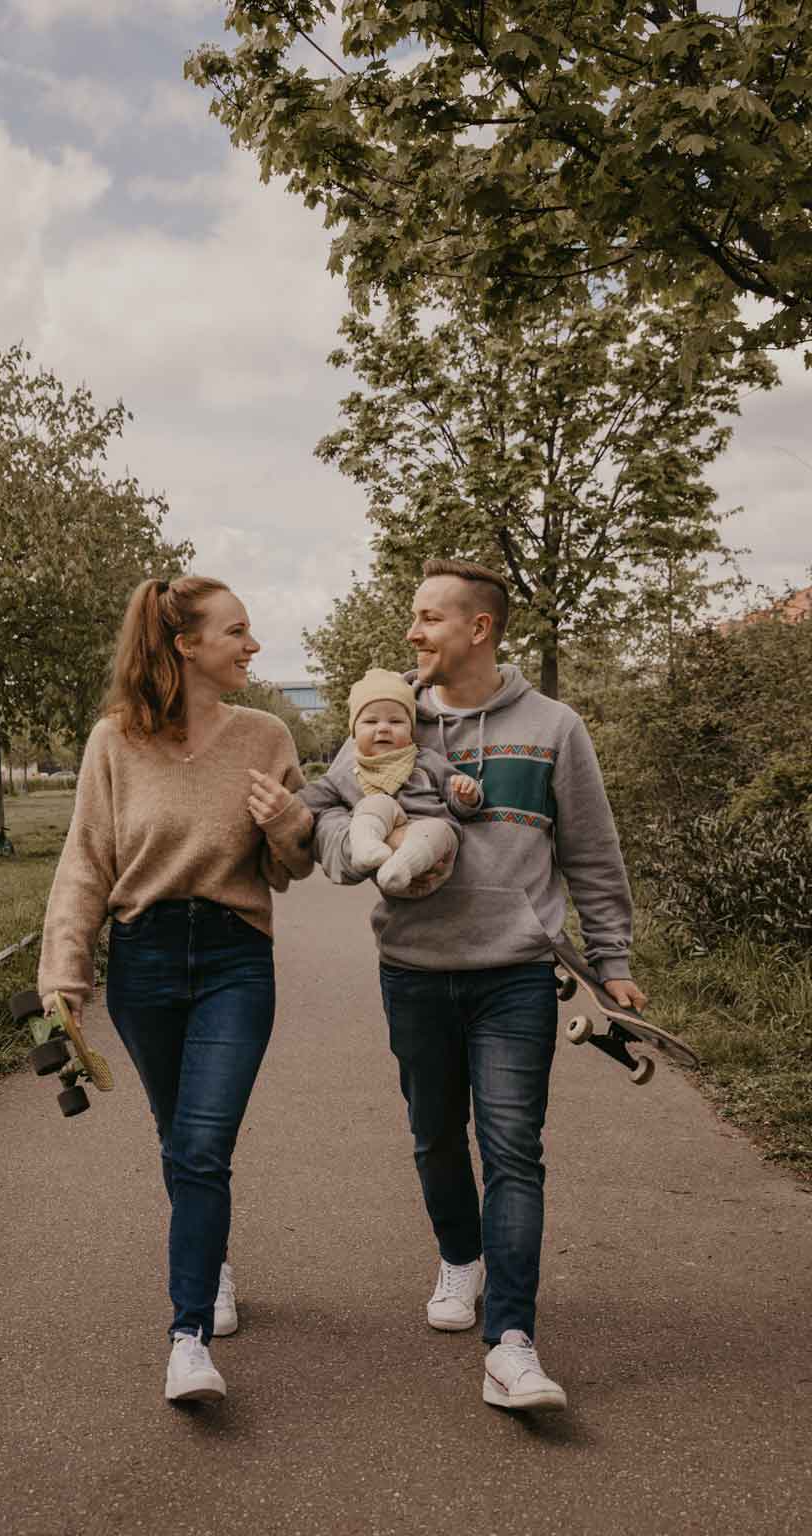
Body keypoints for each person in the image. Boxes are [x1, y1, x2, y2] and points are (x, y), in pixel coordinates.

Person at [312, 558, 646, 1413]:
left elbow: (593, 853)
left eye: (428, 618)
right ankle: (460, 1257)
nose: (414, 632)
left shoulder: (554, 727)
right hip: (414, 972)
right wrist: (353, 844)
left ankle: (513, 1342)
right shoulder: (385, 723)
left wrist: (612, 963)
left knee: (512, 1151)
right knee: (433, 1137)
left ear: (479, 628)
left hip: (517, 975)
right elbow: (323, 811)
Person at [37, 575, 314, 1408]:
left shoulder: (265, 737)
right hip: (146, 960)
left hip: (235, 958)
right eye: (238, 631)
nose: (253, 646)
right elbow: (86, 862)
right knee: (176, 1136)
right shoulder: (113, 742)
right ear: (185, 645)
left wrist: (285, 826)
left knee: (201, 1144)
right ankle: (213, 1256)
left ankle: (186, 1337)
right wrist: (64, 973)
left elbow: (291, 869)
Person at [298, 667, 481, 893]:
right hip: (383, 869)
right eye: (371, 722)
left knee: (439, 829)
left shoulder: (426, 760)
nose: (383, 728)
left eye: (395, 722)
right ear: (354, 732)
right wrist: (284, 807)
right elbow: (309, 799)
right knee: (376, 804)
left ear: (411, 729)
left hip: (430, 859)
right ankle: (367, 847)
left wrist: (466, 797)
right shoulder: (346, 774)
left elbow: (457, 801)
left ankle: (405, 862)